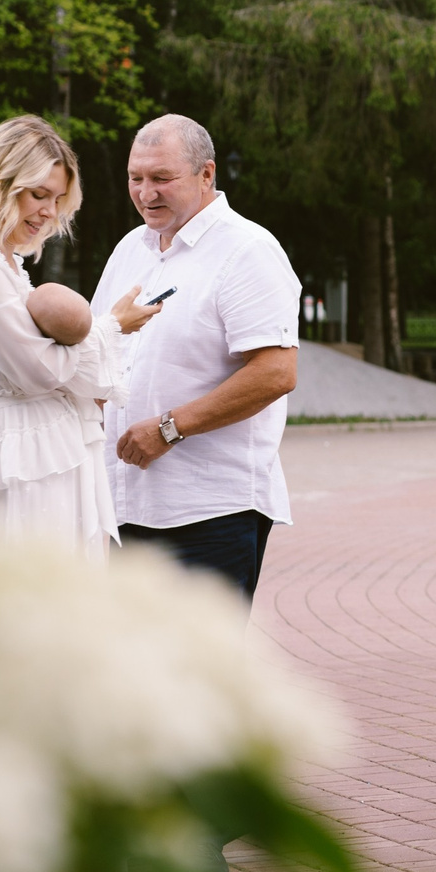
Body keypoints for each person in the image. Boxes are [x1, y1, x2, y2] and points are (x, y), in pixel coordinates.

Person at [91, 114, 303, 604]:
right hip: (127, 508)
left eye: (162, 179)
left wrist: (169, 427)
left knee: (194, 675)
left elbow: (276, 371)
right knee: (128, 674)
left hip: (210, 512)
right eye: (135, 178)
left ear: (207, 175)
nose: (146, 193)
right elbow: (99, 352)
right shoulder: (130, 249)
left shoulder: (247, 250)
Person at [0, 116, 161, 555]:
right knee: (28, 601)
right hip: (18, 455)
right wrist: (111, 327)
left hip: (42, 449)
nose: (49, 212)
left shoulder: (6, 265)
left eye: (57, 200)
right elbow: (37, 371)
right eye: (39, 195)